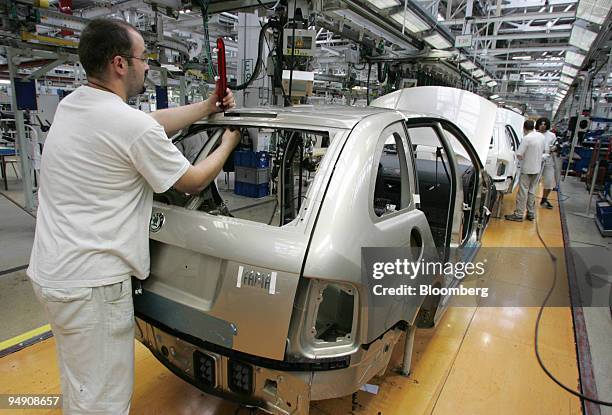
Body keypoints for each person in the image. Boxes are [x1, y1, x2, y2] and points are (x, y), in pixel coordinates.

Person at [26, 18, 239, 414]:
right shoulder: (127, 125)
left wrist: (208, 107)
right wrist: (228, 143)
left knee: (82, 385)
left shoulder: (76, 104)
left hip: (53, 274)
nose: (147, 66)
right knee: (105, 401)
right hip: (93, 286)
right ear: (120, 63)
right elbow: (191, 182)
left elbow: (150, 125)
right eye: (143, 58)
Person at [505, 119, 545, 222]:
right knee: (532, 191)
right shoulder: (541, 136)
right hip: (537, 168)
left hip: (527, 169)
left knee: (523, 192)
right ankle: (531, 213)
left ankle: (519, 214)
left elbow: (519, 154)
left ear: (524, 128)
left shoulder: (526, 138)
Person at [536, 117, 556, 209]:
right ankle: (529, 199)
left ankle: (544, 199)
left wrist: (554, 148)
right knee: (534, 180)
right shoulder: (534, 134)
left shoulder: (552, 135)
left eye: (544, 124)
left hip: (548, 160)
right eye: (541, 124)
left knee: (549, 181)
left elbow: (555, 145)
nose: (542, 126)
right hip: (536, 160)